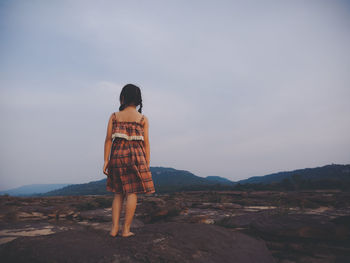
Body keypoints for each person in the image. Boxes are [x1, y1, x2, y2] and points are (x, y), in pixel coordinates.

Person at [103, 84, 155, 238]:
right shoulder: (143, 119)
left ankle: (114, 229)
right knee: (132, 194)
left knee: (118, 193)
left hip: (117, 155)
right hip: (136, 157)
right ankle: (126, 230)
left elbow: (107, 140)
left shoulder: (114, 116)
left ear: (122, 98)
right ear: (138, 100)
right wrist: (147, 163)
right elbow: (146, 143)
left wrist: (106, 160)